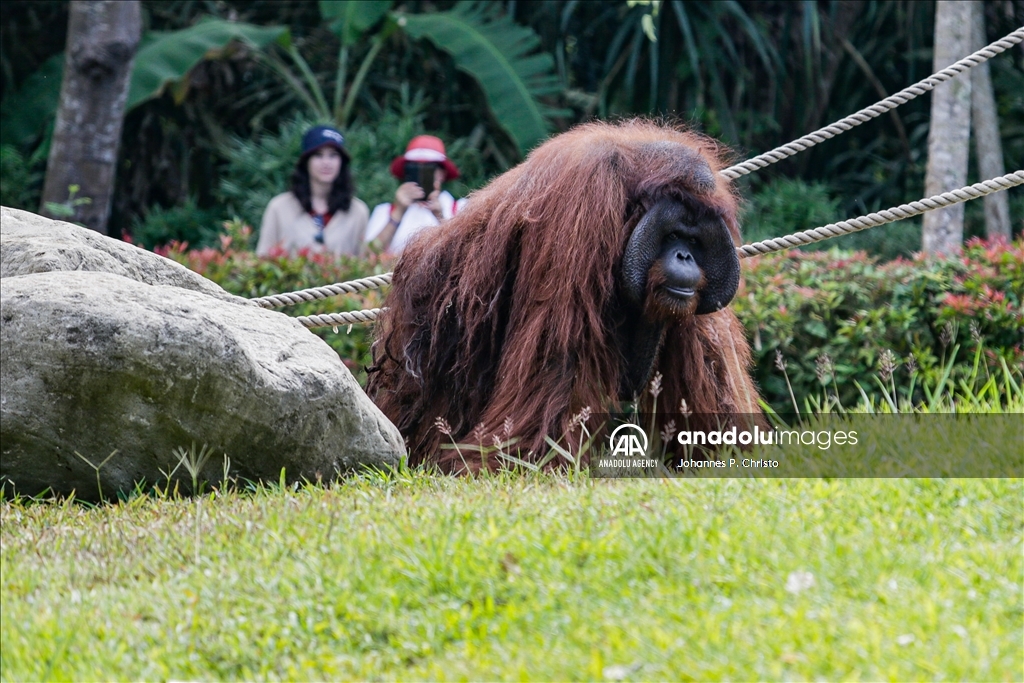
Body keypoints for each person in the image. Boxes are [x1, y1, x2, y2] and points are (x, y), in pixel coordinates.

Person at [256, 125, 369, 257]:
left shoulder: (358, 211)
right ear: (306, 161)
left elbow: (364, 264)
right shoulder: (279, 207)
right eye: (318, 155)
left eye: (333, 155)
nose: (326, 162)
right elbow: (263, 259)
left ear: (342, 162)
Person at [364, 135, 467, 254]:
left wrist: (441, 217)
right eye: (415, 168)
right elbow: (366, 257)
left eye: (428, 169)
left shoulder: (461, 209)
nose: (421, 175)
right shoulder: (385, 211)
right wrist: (398, 213)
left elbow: (467, 256)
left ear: (442, 174)